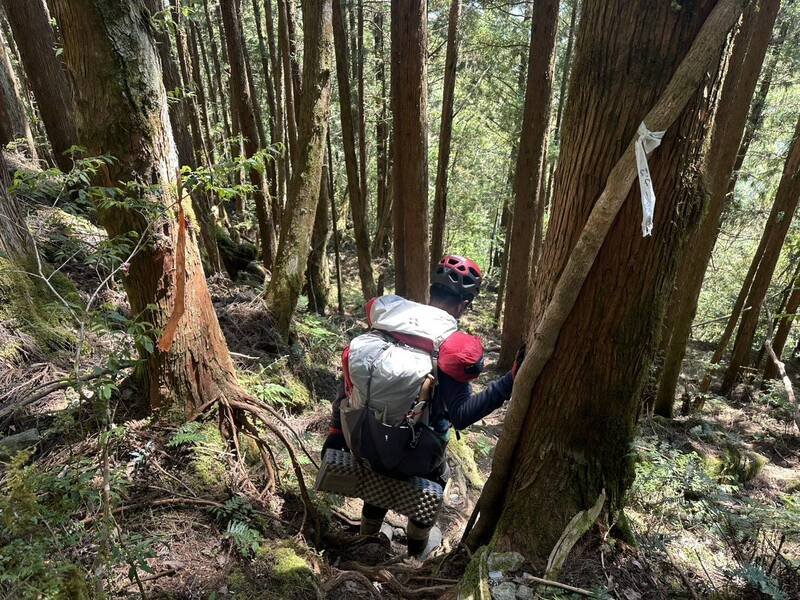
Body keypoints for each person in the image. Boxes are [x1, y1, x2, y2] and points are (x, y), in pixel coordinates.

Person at [322, 255, 522, 557]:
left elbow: (350, 385)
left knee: (383, 455)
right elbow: (462, 415)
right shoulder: (450, 346)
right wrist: (509, 382)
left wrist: (336, 435)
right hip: (416, 460)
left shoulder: (387, 325)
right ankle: (416, 551)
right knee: (435, 477)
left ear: (430, 292)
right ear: (463, 305)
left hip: (362, 443)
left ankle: (367, 537)